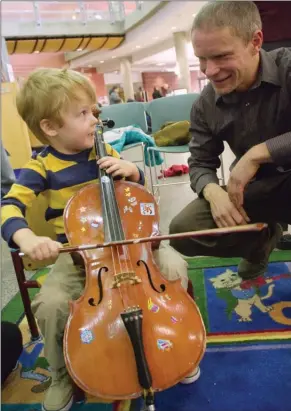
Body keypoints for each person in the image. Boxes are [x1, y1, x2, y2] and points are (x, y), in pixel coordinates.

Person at [1, 68, 198, 411]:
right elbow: (9, 206)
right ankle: (61, 373)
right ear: (50, 127)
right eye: (82, 114)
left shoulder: (103, 149)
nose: (94, 119)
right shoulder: (41, 166)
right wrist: (26, 235)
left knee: (174, 266)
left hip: (132, 243)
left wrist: (132, 173)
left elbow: (137, 199)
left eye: (94, 111)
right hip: (79, 255)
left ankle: (178, 343)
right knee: (50, 305)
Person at [169, 1, 291, 281]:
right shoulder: (205, 105)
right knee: (184, 230)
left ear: (255, 41)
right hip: (255, 192)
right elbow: (200, 163)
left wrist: (256, 154)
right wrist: (214, 193)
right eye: (201, 59)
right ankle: (262, 240)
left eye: (222, 56)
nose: (209, 71)